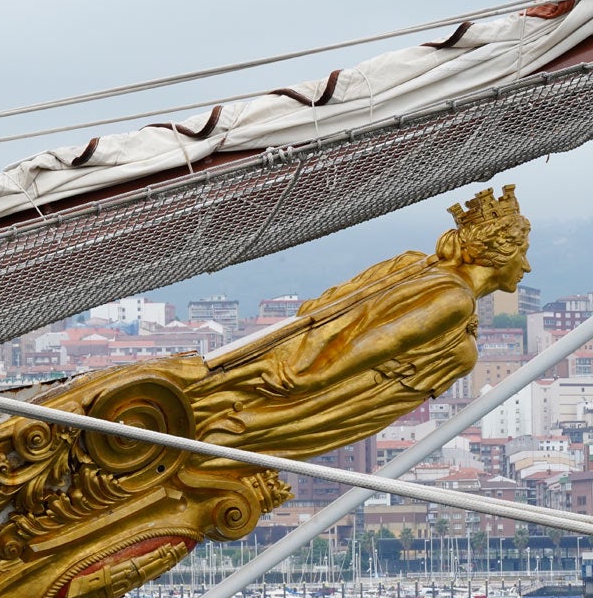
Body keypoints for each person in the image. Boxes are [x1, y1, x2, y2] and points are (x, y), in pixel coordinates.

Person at [184, 184, 532, 466]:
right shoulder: (452, 300)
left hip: (349, 400)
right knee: (219, 440)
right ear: (500, 250)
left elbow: (338, 306)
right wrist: (309, 378)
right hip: (334, 399)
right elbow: (364, 347)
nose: (526, 266)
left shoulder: (422, 268)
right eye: (523, 251)